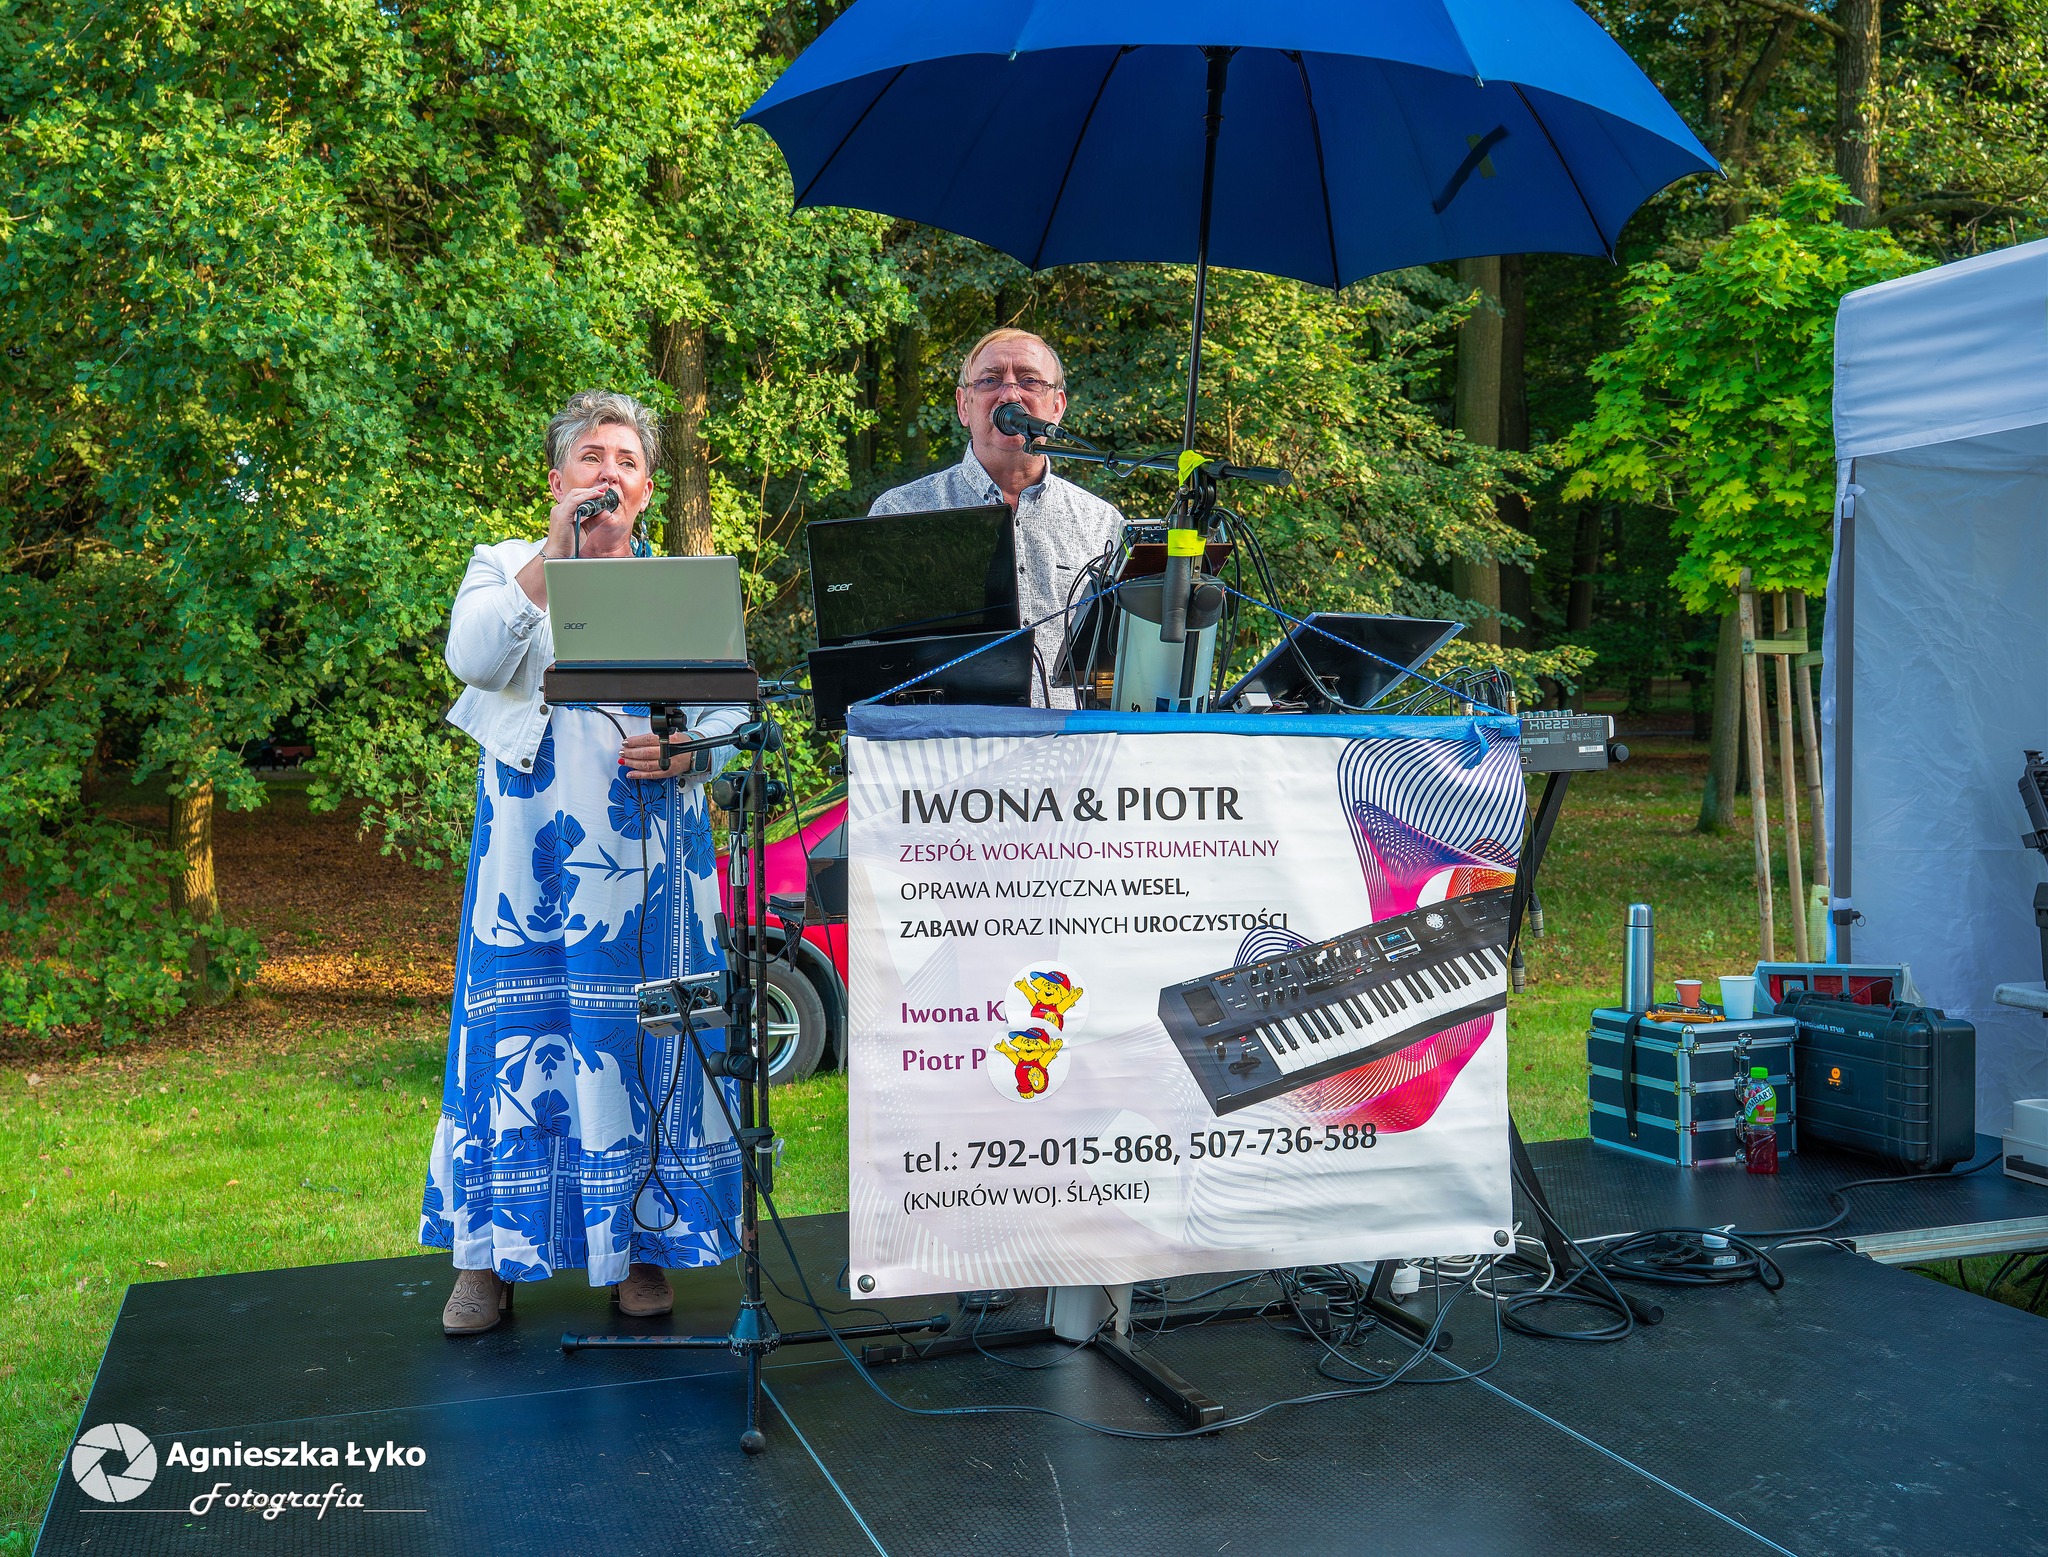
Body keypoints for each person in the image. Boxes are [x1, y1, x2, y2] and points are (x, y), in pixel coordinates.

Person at [424, 390, 747, 1336]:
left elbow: (731, 711)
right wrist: (554, 556)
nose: (609, 473)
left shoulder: (680, 585)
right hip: (529, 852)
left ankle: (642, 1245)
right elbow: (474, 659)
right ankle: (489, 1255)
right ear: (558, 478)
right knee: (511, 1040)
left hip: (651, 856)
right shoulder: (503, 566)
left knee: (647, 1037)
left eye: (627, 461)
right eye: (592, 458)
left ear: (647, 489)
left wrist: (689, 751)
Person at [870, 328, 1123, 707]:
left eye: (1029, 381)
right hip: (944, 739)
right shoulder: (901, 512)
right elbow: (873, 661)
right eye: (990, 380)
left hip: (1071, 739)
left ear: (1056, 407)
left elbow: (1118, 662)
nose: (1009, 394)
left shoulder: (1101, 522)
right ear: (964, 406)